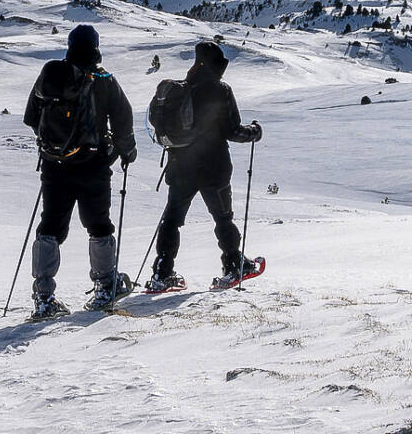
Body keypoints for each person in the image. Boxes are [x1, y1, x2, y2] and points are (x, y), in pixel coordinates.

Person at [23, 24, 136, 318]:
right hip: (93, 164)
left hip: (54, 165)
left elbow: (30, 116)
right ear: (96, 47)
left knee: (50, 226)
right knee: (98, 225)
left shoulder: (51, 73)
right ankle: (104, 287)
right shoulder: (104, 80)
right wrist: (127, 151)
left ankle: (43, 297)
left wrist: (55, 146)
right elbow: (123, 120)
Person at [145, 41, 263, 291]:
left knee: (172, 219)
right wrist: (254, 132)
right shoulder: (221, 90)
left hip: (180, 166)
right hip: (214, 167)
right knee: (223, 218)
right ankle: (233, 265)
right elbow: (233, 131)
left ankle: (162, 272)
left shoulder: (181, 90)